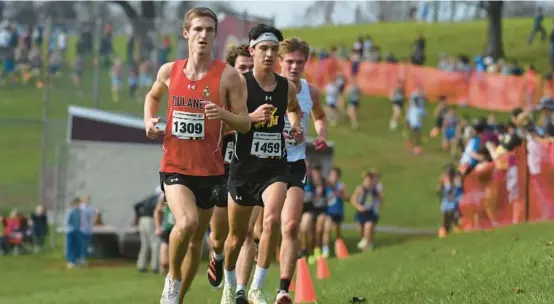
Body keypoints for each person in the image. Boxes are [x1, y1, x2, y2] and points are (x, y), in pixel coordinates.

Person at [143, 7, 251, 304]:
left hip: (211, 171)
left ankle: (178, 297)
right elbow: (152, 97)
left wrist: (223, 113)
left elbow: (244, 123)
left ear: (216, 36)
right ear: (186, 33)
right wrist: (149, 120)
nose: (204, 35)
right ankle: (172, 281)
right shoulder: (169, 71)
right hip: (175, 166)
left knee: (195, 242)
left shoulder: (229, 77)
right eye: (198, 29)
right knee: (187, 223)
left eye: (209, 30)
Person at [220, 24, 303, 304]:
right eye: (263, 49)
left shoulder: (286, 87)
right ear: (252, 51)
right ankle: (230, 286)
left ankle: (256, 287)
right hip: (243, 169)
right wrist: (250, 118)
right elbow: (221, 122)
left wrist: (295, 127)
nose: (269, 55)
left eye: (273, 50)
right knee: (235, 238)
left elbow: (294, 108)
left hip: (274, 167)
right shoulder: (238, 83)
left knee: (271, 221)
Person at [275, 36, 328, 299]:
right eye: (290, 62)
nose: (295, 67)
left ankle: (283, 289)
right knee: (260, 230)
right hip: (265, 163)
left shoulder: (311, 91)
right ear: (280, 62)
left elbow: (319, 116)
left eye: (300, 62)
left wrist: (320, 135)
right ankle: (244, 286)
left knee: (291, 225)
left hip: (294, 162)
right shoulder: (268, 87)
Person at [207, 44, 254, 289]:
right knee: (218, 237)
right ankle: (216, 256)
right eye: (242, 68)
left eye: (251, 67)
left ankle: (238, 289)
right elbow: (213, 131)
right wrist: (245, 121)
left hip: (249, 172)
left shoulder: (263, 96)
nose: (246, 73)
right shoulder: (221, 96)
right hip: (222, 171)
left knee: (246, 234)